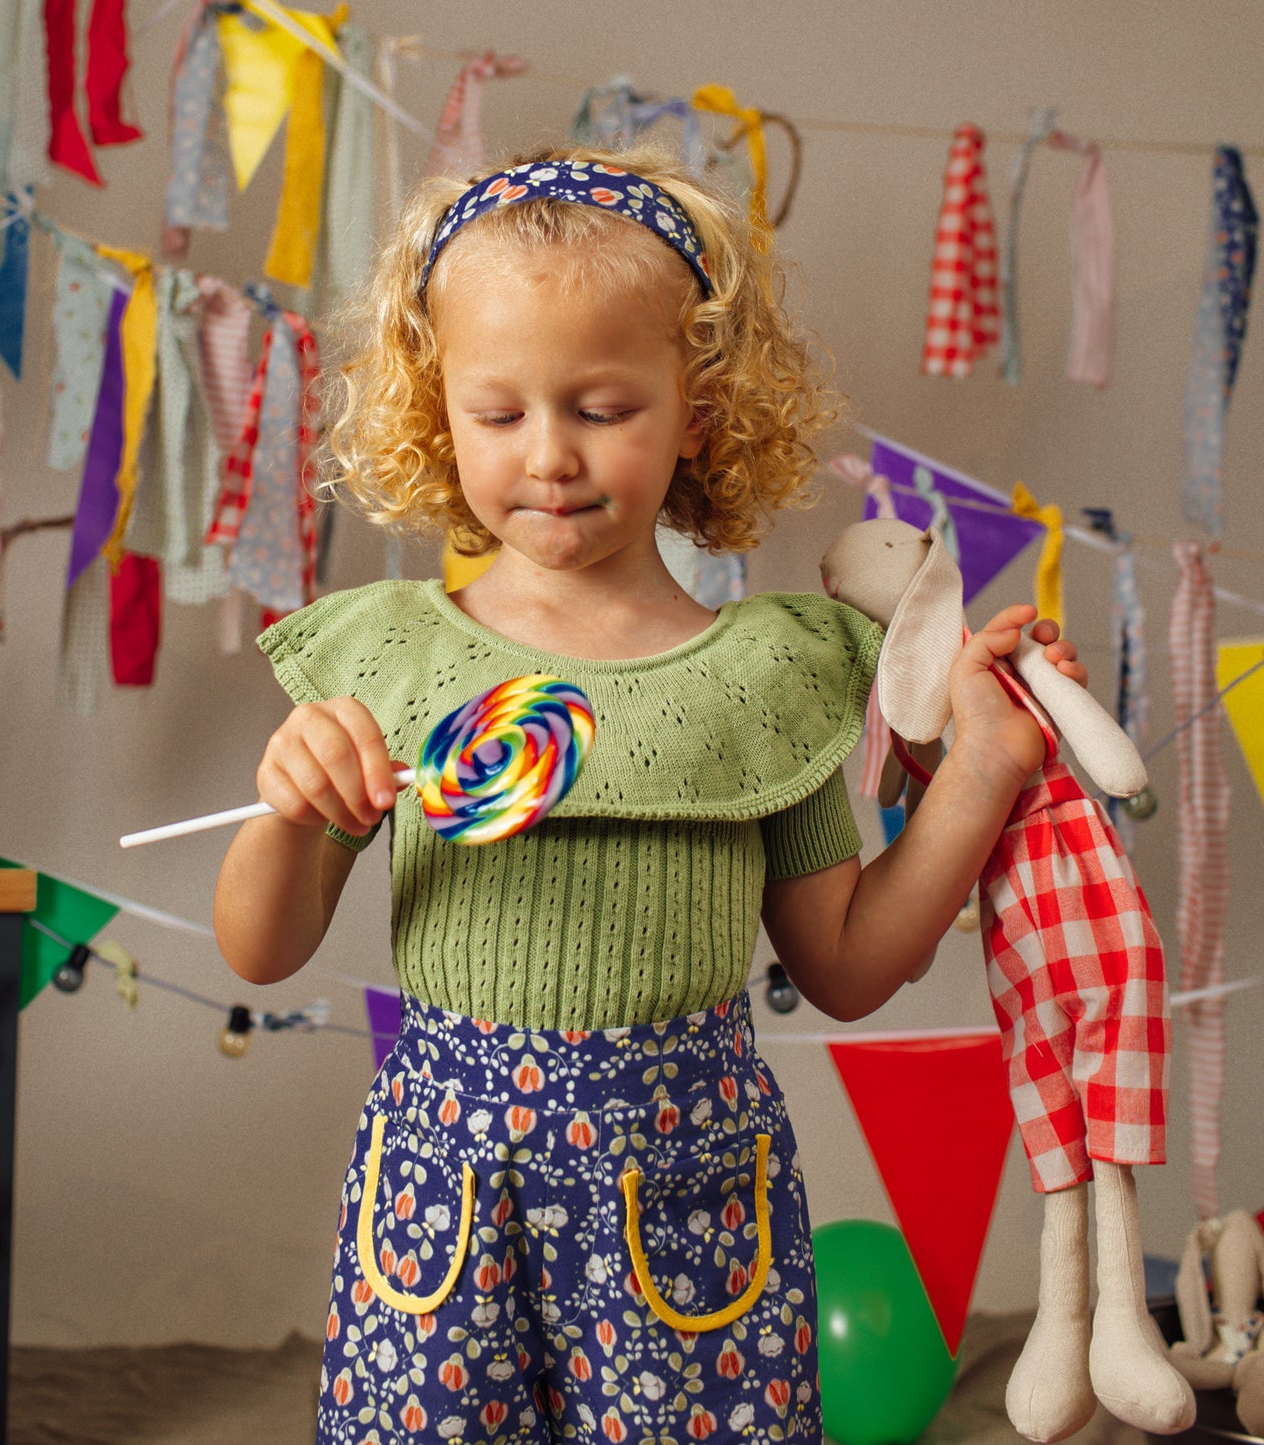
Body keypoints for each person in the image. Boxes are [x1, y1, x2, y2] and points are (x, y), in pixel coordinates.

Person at [213, 143, 1088, 1444]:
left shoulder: (761, 678)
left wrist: (978, 766)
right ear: (434, 408)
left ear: (698, 407)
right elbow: (262, 947)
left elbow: (846, 963)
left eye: (602, 406)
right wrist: (286, 812)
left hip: (687, 1202)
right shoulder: (391, 657)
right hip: (451, 1197)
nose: (548, 455)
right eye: (499, 412)